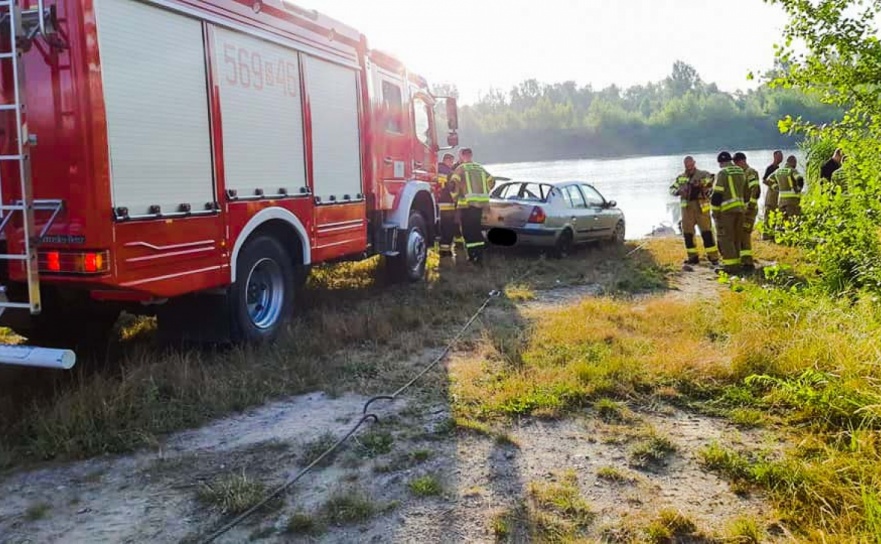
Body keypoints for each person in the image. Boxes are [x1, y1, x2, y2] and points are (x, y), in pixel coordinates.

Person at [669, 156, 719, 266]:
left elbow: (711, 179)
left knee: (707, 233)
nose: (689, 167)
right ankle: (693, 257)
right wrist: (679, 191)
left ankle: (713, 257)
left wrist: (700, 183)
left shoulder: (702, 174)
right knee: (688, 234)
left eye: (691, 165)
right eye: (687, 165)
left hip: (701, 208)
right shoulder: (681, 177)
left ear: (694, 163)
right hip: (687, 209)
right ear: (684, 165)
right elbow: (671, 189)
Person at [450, 148, 495, 263]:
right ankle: (479, 257)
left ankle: (472, 257)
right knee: (476, 230)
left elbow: (453, 184)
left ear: (461, 156)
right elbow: (492, 181)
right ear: (471, 155)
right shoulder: (480, 168)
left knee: (467, 232)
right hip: (480, 205)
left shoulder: (461, 169)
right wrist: (484, 192)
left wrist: (455, 197)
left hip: (466, 205)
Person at [710, 151, 748, 274]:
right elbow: (746, 192)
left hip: (726, 211)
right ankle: (737, 263)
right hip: (740, 210)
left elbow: (717, 195)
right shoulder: (740, 171)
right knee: (737, 238)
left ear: (720, 163)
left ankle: (731, 267)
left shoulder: (722, 173)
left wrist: (715, 213)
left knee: (726, 238)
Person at [733, 152, 760, 270]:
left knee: (745, 233)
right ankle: (743, 259)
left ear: (742, 161)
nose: (736, 166)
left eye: (737, 163)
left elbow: (756, 189)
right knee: (740, 233)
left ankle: (748, 263)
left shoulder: (750, 172)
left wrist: (751, 205)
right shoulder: (741, 173)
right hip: (742, 208)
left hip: (749, 209)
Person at [436, 153, 458, 257]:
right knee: (448, 227)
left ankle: (442, 249)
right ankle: (446, 251)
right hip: (447, 204)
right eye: (451, 161)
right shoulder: (449, 172)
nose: (452, 164)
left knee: (442, 227)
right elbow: (451, 188)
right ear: (447, 160)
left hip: (437, 202)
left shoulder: (436, 169)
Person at [768, 155, 804, 220]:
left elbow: (769, 180)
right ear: (793, 162)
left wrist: (776, 188)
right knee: (794, 221)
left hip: (781, 202)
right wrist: (799, 189)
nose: (795, 165)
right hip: (792, 201)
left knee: (783, 222)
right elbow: (799, 179)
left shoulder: (778, 171)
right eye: (795, 163)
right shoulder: (792, 170)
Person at [762, 150, 784, 240]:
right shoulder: (770, 168)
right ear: (775, 157)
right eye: (779, 156)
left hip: (777, 196)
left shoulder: (779, 168)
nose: (781, 158)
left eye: (782, 156)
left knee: (776, 214)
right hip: (771, 195)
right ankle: (766, 235)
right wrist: (774, 186)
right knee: (768, 214)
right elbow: (764, 180)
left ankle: (773, 234)